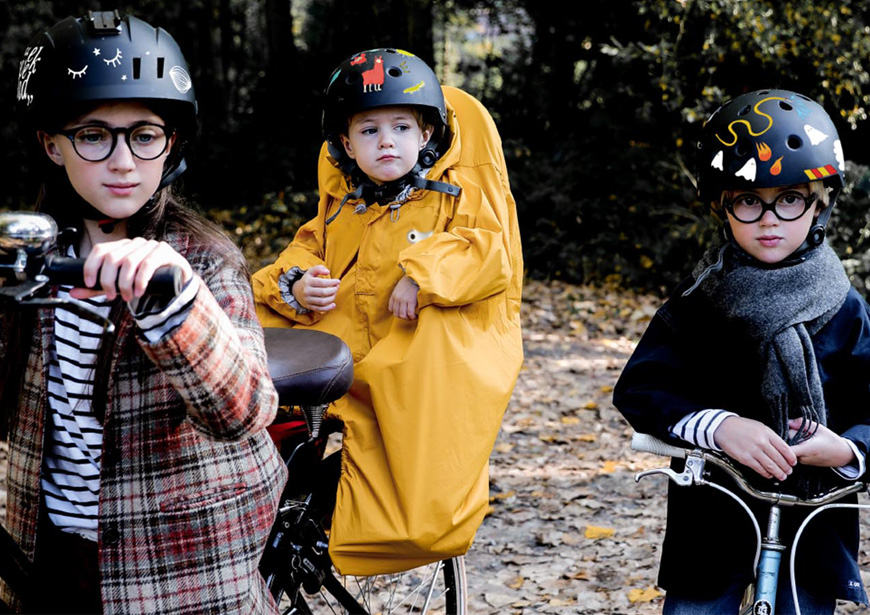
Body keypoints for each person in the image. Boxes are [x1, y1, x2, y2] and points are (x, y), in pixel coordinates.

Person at [1, 10, 287, 614]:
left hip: (181, 556)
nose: (124, 161)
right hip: (50, 542)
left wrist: (177, 302)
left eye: (145, 134)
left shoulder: (203, 259)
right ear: (52, 144)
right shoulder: (33, 252)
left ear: (171, 143)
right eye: (94, 134)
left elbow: (246, 410)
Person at [252, 48, 523, 575]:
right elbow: (304, 250)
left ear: (426, 136)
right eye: (369, 130)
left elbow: (489, 252)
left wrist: (423, 274)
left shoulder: (447, 197)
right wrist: (298, 283)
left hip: (408, 357)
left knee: (408, 485)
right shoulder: (345, 205)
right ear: (346, 145)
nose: (386, 141)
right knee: (250, 366)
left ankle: (343, 538)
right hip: (343, 346)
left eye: (401, 127)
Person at [613, 88, 870, 614]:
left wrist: (845, 451)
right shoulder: (698, 304)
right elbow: (640, 389)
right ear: (722, 207)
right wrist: (718, 425)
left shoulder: (846, 309)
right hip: (713, 519)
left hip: (811, 521)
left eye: (790, 198)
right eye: (749, 200)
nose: (770, 219)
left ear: (820, 204)